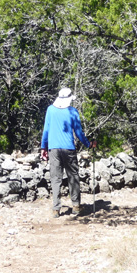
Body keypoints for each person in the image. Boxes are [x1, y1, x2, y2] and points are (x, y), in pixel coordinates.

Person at [40, 88, 96, 218]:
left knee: (55, 178)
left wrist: (43, 147)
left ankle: (56, 208)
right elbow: (79, 133)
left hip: (53, 148)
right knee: (73, 176)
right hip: (69, 148)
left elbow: (46, 130)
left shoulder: (50, 110)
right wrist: (88, 144)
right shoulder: (72, 111)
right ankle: (76, 206)